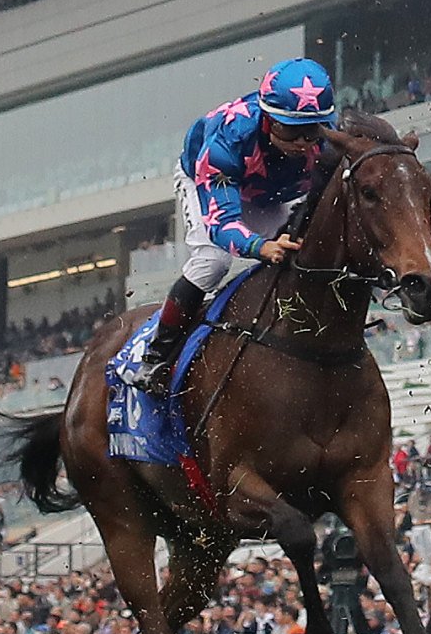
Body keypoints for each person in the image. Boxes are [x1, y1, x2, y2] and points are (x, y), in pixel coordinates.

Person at [132, 59, 341, 400]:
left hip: (274, 191)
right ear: (270, 118)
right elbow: (222, 224)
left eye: (312, 130)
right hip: (215, 185)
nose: (304, 142)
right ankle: (157, 355)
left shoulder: (329, 140)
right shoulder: (228, 143)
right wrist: (260, 247)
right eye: (291, 130)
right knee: (213, 263)